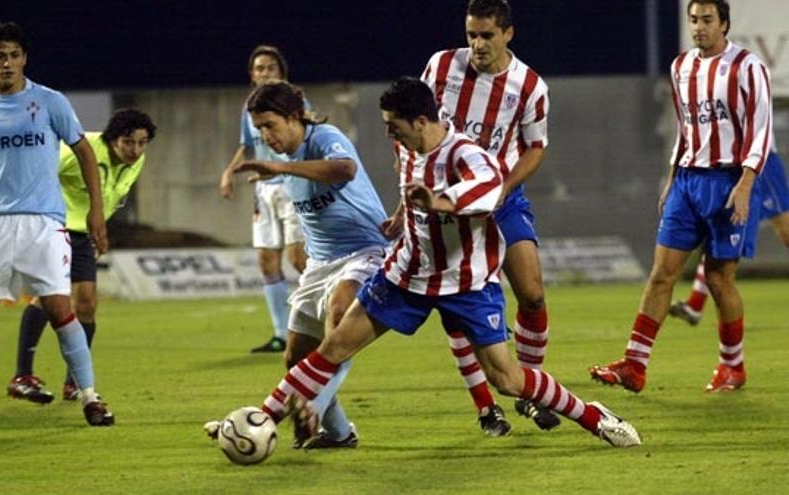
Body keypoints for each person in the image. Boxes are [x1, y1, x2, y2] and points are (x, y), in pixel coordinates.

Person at [208, 78, 641, 449]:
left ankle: (592, 415)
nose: (388, 136)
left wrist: (437, 201)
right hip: (406, 276)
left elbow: (486, 193)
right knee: (335, 344)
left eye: (393, 127)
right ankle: (262, 418)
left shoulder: (468, 156)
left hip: (466, 283)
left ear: (420, 122)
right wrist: (402, 215)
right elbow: (412, 190)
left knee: (508, 379)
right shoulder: (409, 149)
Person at [0, 21, 114, 431]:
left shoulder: (50, 101)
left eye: (14, 54)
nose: (7, 62)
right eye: (0, 55)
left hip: (43, 223)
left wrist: (95, 211)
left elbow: (84, 151)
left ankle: (91, 398)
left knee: (59, 308)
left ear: (24, 59)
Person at [590, 0, 771, 393]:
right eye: (694, 20)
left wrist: (745, 183)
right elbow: (685, 128)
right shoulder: (681, 67)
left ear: (724, 23)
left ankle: (732, 366)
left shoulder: (747, 66)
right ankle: (634, 366)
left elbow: (761, 129)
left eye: (707, 20)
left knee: (721, 279)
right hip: (688, 183)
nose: (699, 27)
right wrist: (671, 176)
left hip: (729, 181)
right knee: (661, 274)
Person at [417, 0, 559, 431]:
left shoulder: (530, 85)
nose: (477, 45)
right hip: (449, 204)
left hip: (502, 200)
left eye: (487, 36)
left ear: (508, 34)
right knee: (458, 305)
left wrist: (505, 188)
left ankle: (529, 391)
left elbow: (535, 148)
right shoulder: (441, 68)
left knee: (532, 292)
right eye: (471, 35)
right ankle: (485, 404)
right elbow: (417, 126)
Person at [229, 80, 390, 448]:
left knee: (339, 322)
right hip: (321, 264)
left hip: (365, 250)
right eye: (259, 129)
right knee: (295, 358)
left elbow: (344, 170)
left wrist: (283, 167)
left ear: (293, 116)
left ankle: (311, 410)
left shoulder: (323, 136)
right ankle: (339, 434)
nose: (265, 135)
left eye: (270, 124)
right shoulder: (283, 160)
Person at [6, 109, 157, 403]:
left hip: (84, 235)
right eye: (128, 142)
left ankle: (74, 382)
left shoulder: (136, 161)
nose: (135, 150)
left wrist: (100, 230)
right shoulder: (81, 148)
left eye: (142, 143)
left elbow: (109, 197)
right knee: (49, 298)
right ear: (113, 139)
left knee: (86, 304)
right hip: (54, 228)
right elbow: (39, 172)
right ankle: (22, 375)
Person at [219, 45, 307, 353]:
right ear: (252, 75)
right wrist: (229, 172)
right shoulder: (250, 108)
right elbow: (247, 145)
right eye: (259, 68)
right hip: (263, 190)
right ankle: (281, 334)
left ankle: (323, 321)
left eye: (270, 67)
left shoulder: (295, 101)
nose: (264, 73)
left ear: (281, 73)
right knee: (267, 262)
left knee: (299, 259)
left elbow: (308, 140)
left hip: (292, 186)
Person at [669, 147, 789, 325]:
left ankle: (695, 305)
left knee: (786, 231)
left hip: (760, 163)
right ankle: (695, 303)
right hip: (730, 165)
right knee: (719, 239)